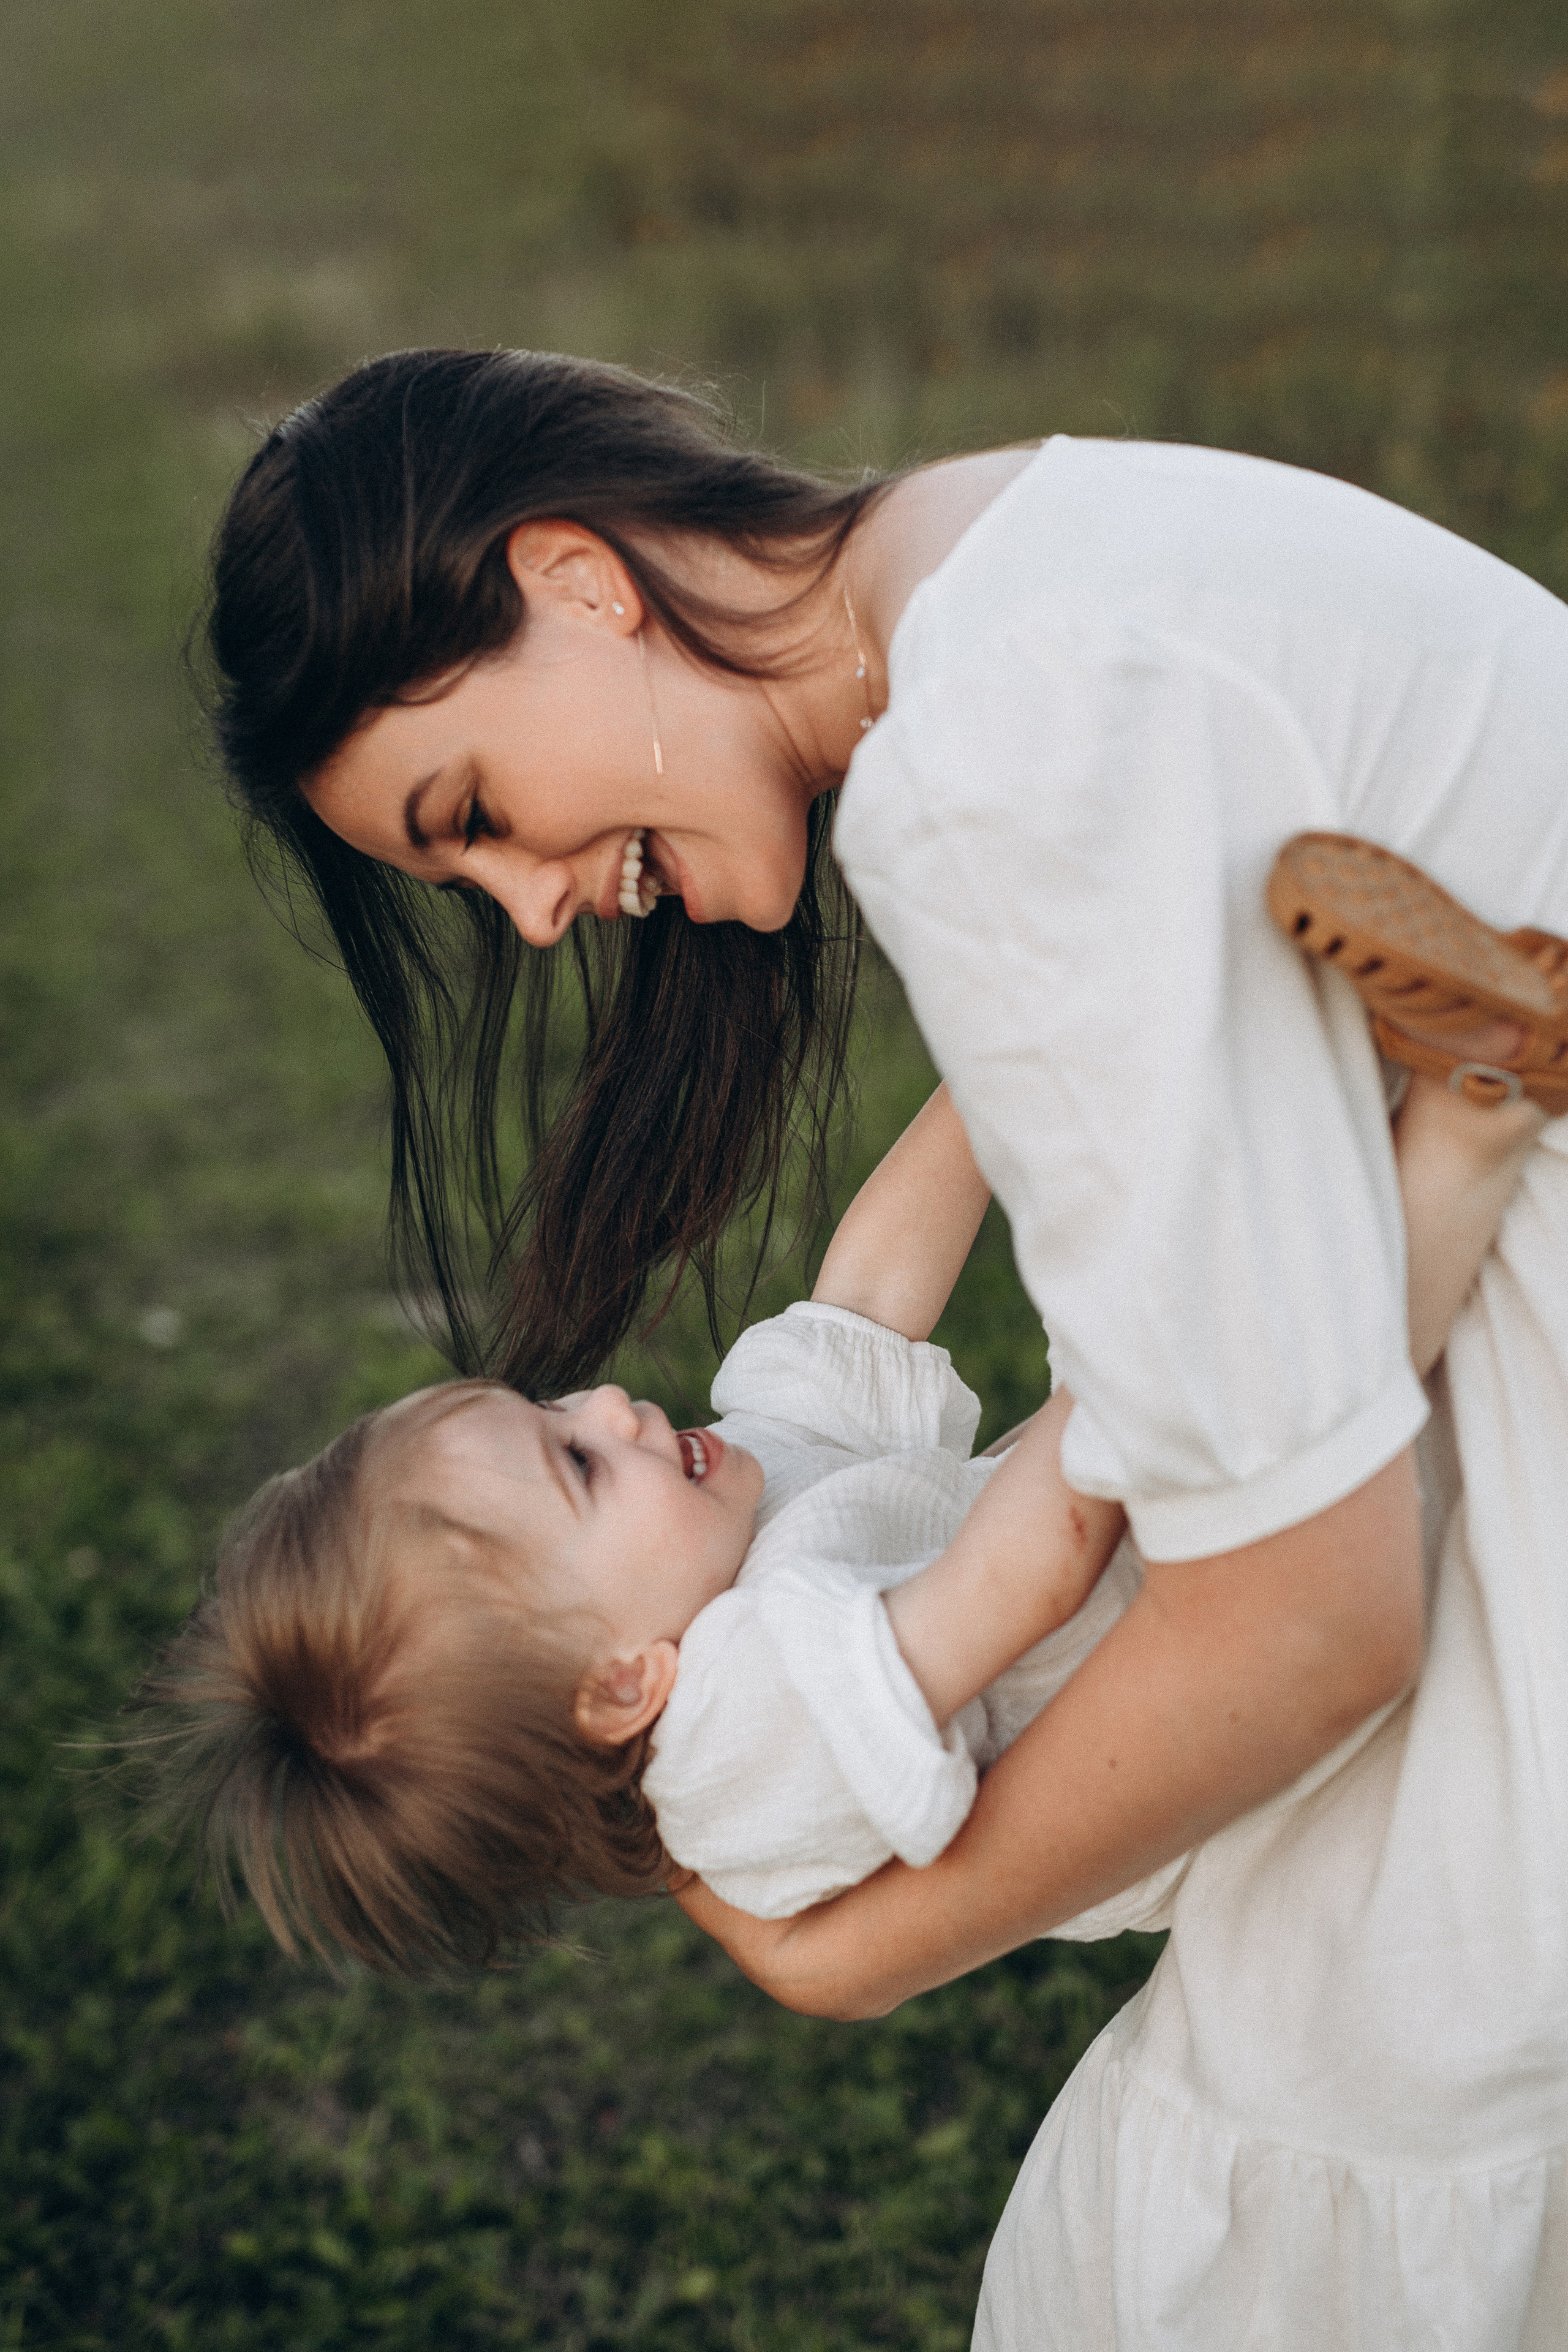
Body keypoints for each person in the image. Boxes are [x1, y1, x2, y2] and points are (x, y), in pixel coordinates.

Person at [205, 348, 1568, 2345]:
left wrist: (858, 1958)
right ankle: (1443, 1111)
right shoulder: (1020, 553)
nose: (526, 917)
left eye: (475, 811)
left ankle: (1445, 1112)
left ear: (577, 583)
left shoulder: (997, 757)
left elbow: (1303, 1621)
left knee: (1329, 2131)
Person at [138, 1065, 1531, 1980]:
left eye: (553, 1401)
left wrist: (1001, 1064)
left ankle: (1428, 1111)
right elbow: (1025, 1578)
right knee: (1277, 1355)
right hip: (1242, 1705)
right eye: (575, 1464)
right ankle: (1464, 1127)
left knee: (1281, 1358)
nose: (616, 1402)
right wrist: (1144, 1331)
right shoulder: (744, 1730)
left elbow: (865, 1294)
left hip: (1173, 1538)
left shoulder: (713, 1529)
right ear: (626, 1684)